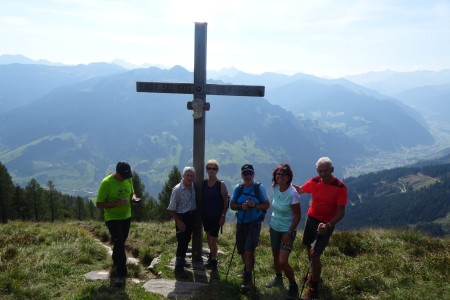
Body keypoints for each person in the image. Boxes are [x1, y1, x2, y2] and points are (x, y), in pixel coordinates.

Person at [293, 157, 347, 300]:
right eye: (321, 171)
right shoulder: (315, 181)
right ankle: (313, 274)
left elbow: (341, 212)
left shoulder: (340, 187)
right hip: (311, 219)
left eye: (326, 171)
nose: (323, 174)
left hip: (326, 224)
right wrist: (284, 184)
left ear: (332, 170)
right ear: (317, 171)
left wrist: (328, 225)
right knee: (309, 249)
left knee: (315, 254)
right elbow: (300, 190)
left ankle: (313, 289)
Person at [96, 161, 138, 287]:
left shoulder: (128, 179)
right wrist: (116, 203)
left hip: (126, 216)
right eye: (123, 176)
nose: (126, 178)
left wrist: (134, 199)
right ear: (117, 172)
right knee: (119, 241)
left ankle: (116, 263)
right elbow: (99, 204)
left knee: (120, 242)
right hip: (112, 218)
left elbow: (132, 193)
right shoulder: (107, 183)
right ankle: (121, 274)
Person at [230, 163, 270, 293]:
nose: (247, 176)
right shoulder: (238, 188)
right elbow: (232, 205)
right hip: (241, 223)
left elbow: (266, 205)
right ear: (242, 175)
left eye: (250, 173)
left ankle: (247, 280)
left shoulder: (259, 188)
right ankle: (248, 267)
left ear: (253, 174)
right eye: (245, 173)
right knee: (241, 250)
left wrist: (254, 206)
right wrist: (241, 207)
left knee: (248, 250)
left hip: (254, 224)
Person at [266, 163, 301, 299]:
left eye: (283, 174)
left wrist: (289, 232)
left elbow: (298, 215)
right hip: (274, 227)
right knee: (275, 255)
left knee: (282, 260)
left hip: (287, 230)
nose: (279, 176)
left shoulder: (293, 194)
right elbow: (275, 181)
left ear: (288, 177)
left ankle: (293, 284)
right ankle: (278, 278)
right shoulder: (275, 187)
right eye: (277, 174)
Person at [167, 166, 197, 278]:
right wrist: (178, 222)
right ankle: (178, 268)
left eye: (191, 176)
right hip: (181, 217)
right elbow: (172, 208)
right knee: (182, 241)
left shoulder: (194, 187)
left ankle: (182, 261)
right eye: (187, 175)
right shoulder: (178, 189)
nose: (189, 178)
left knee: (187, 239)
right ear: (183, 176)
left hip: (191, 217)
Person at [201, 159, 229, 273]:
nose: (211, 170)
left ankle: (214, 260)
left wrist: (223, 215)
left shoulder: (220, 184)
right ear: (206, 170)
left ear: (217, 170)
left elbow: (226, 200)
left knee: (212, 239)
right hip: (206, 216)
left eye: (214, 168)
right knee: (209, 238)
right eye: (209, 168)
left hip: (216, 216)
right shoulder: (203, 183)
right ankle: (212, 258)